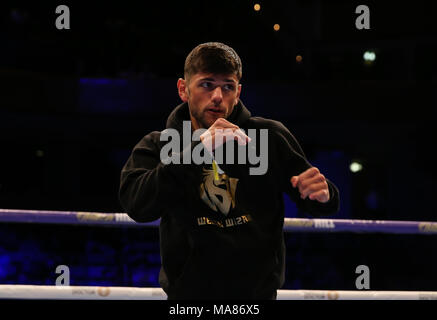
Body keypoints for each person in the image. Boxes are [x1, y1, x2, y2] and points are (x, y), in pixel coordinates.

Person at [119, 42, 339, 300]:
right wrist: (197, 150)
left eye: (227, 87)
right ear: (183, 89)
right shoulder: (159, 144)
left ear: (238, 93)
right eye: (207, 84)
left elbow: (317, 197)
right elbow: (136, 205)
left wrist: (324, 194)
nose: (217, 97)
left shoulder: (269, 136)